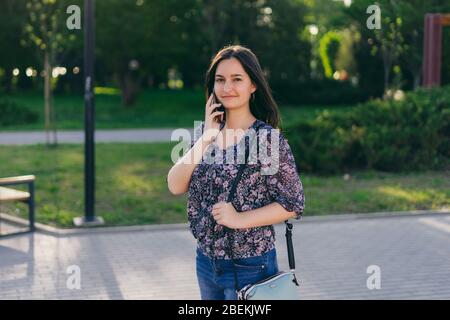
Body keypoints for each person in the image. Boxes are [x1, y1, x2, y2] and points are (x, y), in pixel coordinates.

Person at [167, 45, 305, 300]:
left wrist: (239, 219)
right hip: (206, 262)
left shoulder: (266, 139)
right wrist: (207, 136)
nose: (227, 87)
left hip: (250, 265)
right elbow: (175, 185)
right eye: (220, 80)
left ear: (253, 85)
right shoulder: (205, 133)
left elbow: (293, 203)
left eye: (237, 79)